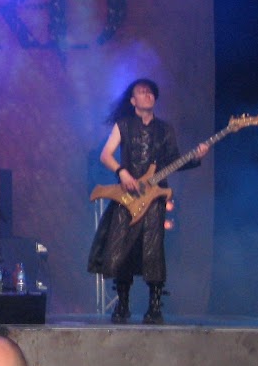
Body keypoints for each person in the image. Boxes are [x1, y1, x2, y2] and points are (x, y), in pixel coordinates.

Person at [87, 78, 209, 324]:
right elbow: (105, 155)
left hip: (154, 198)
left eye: (151, 92)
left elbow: (175, 161)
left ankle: (154, 307)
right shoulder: (124, 125)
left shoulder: (165, 130)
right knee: (122, 247)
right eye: (142, 92)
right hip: (128, 196)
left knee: (153, 249)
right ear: (133, 101)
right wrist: (122, 172)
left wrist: (196, 158)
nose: (148, 95)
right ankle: (122, 304)